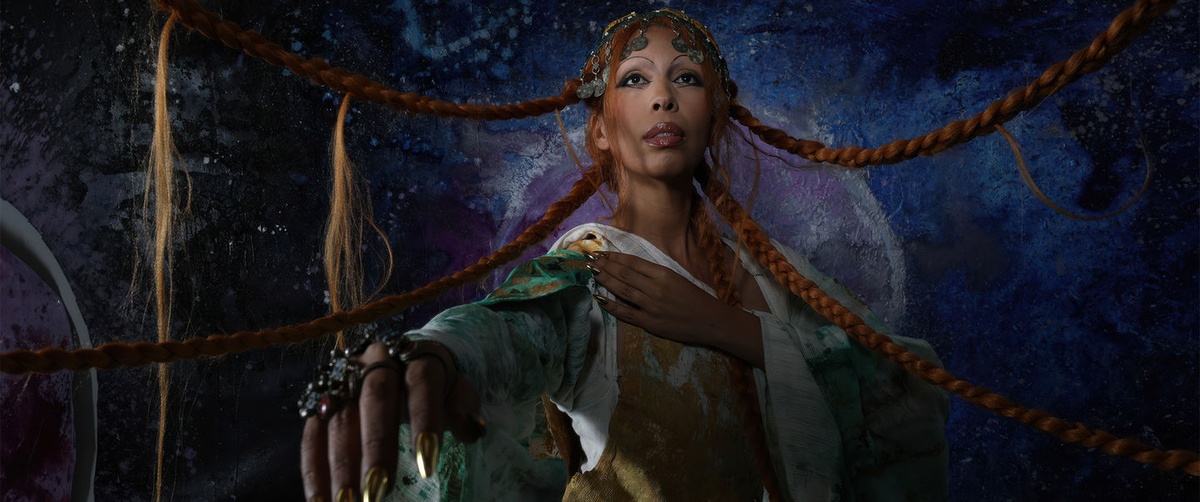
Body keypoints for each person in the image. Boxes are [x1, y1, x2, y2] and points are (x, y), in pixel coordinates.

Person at [298, 9, 950, 502]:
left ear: (715, 116)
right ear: (602, 130)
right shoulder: (590, 270)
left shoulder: (778, 274)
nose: (663, 97)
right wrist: (432, 355)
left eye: (686, 78)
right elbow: (505, 329)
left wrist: (731, 329)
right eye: (635, 79)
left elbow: (905, 391)